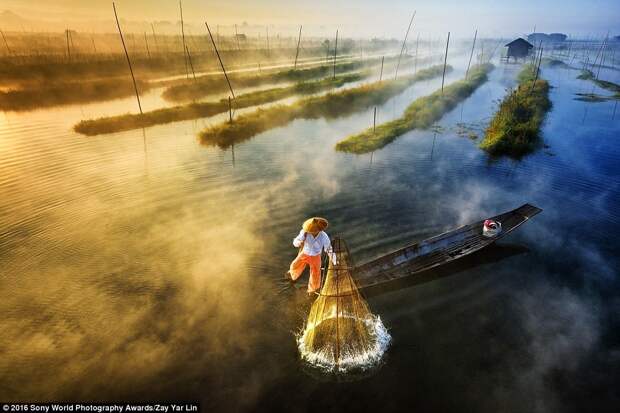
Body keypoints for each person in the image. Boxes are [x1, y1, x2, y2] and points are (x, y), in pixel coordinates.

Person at [286, 217, 337, 295]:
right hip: (305, 253)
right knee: (294, 265)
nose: (312, 232)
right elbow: (296, 241)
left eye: (314, 231)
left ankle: (312, 290)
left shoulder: (324, 236)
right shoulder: (304, 232)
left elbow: (328, 249)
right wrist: (298, 242)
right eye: (311, 231)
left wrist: (334, 260)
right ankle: (293, 276)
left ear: (319, 229)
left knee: (315, 273)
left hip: (315, 256)